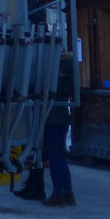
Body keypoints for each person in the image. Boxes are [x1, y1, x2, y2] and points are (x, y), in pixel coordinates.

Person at [42, 50, 77, 207]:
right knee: (61, 157)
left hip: (51, 117)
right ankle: (68, 193)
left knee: (54, 157)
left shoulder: (52, 73)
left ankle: (58, 194)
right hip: (63, 116)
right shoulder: (70, 72)